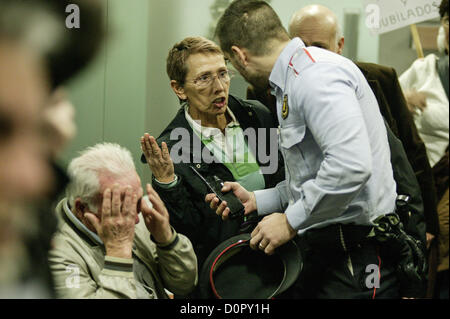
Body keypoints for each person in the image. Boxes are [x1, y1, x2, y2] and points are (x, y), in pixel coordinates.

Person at [209, 0, 415, 299]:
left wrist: (290, 221)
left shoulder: (314, 78)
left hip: (356, 256)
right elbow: (313, 174)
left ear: (240, 56)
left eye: (230, 64)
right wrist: (260, 200)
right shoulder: (295, 78)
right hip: (334, 253)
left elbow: (351, 167)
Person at [140, 37, 285, 291]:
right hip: (222, 277)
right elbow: (182, 237)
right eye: (204, 78)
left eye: (223, 74)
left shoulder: (257, 116)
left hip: (280, 262)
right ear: (179, 89)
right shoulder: (171, 150)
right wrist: (168, 184)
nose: (219, 87)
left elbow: (286, 181)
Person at [48, 143, 197, 299]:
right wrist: (118, 252)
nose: (135, 219)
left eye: (138, 202)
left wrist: (167, 240)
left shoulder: (143, 219)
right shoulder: (57, 253)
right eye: (120, 208)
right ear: (81, 209)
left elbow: (184, 284)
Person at [399, 0, 449, 299]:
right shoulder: (424, 68)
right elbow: (381, 101)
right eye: (448, 18)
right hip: (430, 188)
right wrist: (405, 97)